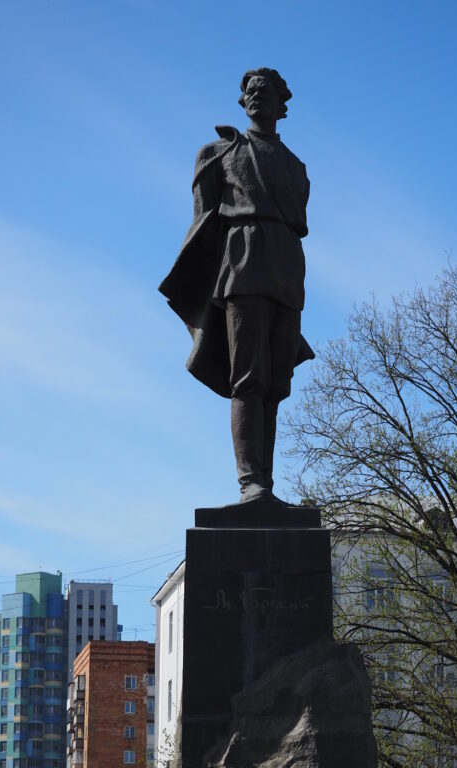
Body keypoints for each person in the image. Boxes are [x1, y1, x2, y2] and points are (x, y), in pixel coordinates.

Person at [159, 68, 313, 503]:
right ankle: (251, 484)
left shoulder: (296, 168)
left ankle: (266, 485)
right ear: (242, 102)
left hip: (286, 272)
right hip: (241, 267)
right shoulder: (218, 152)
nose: (256, 96)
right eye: (250, 91)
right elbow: (201, 229)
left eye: (265, 91)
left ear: (282, 104)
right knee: (247, 378)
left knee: (275, 385)